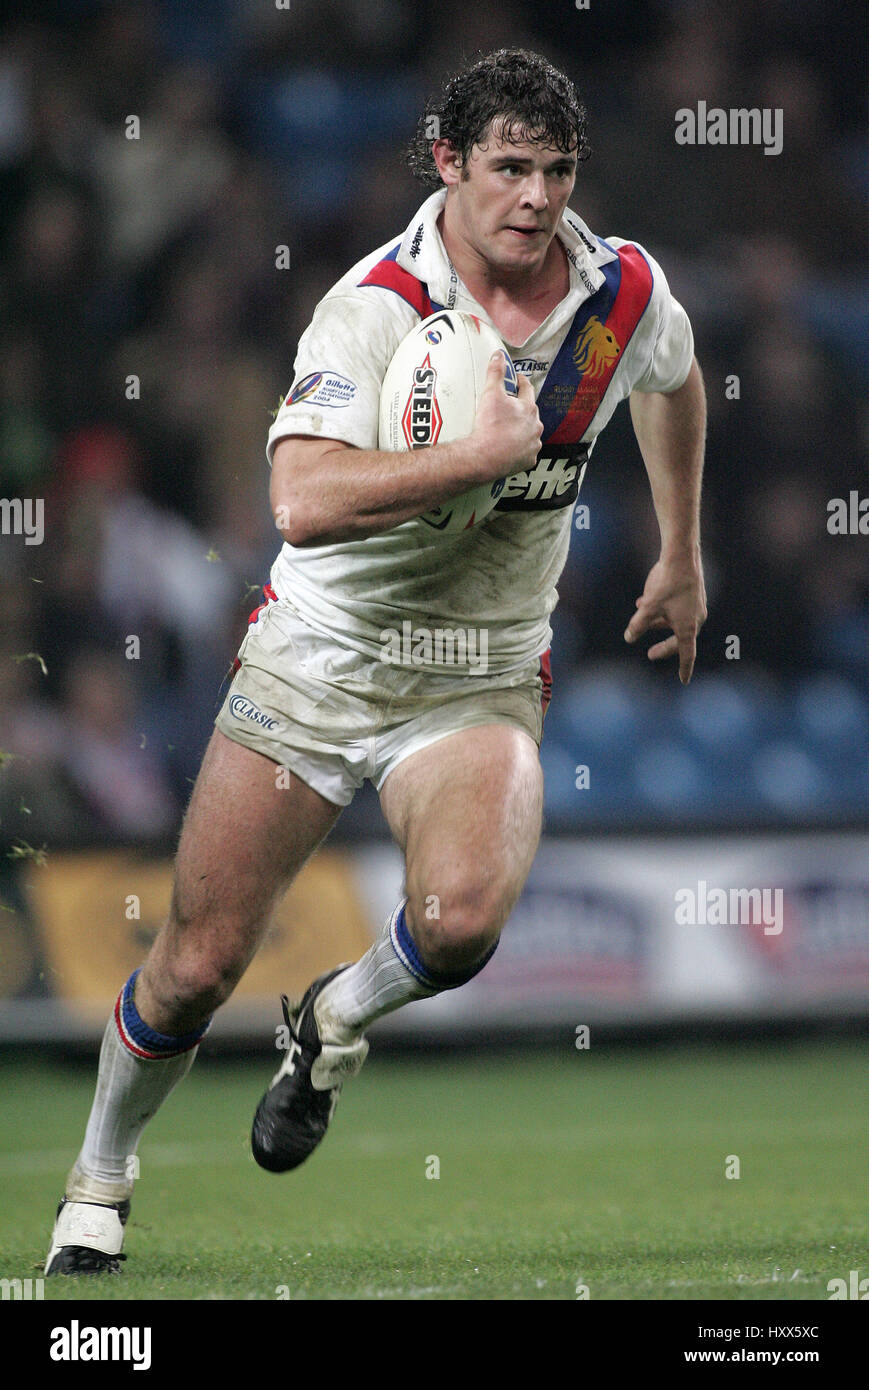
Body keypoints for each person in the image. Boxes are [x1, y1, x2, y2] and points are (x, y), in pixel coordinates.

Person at [46, 48, 706, 1274]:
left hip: (480, 665)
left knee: (459, 925)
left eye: (557, 171)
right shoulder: (372, 304)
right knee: (196, 964)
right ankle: (101, 1175)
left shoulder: (618, 293)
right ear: (448, 164)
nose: (535, 198)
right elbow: (297, 499)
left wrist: (679, 547)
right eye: (507, 168)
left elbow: (673, 377)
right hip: (322, 656)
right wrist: (475, 456)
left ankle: (332, 1025)